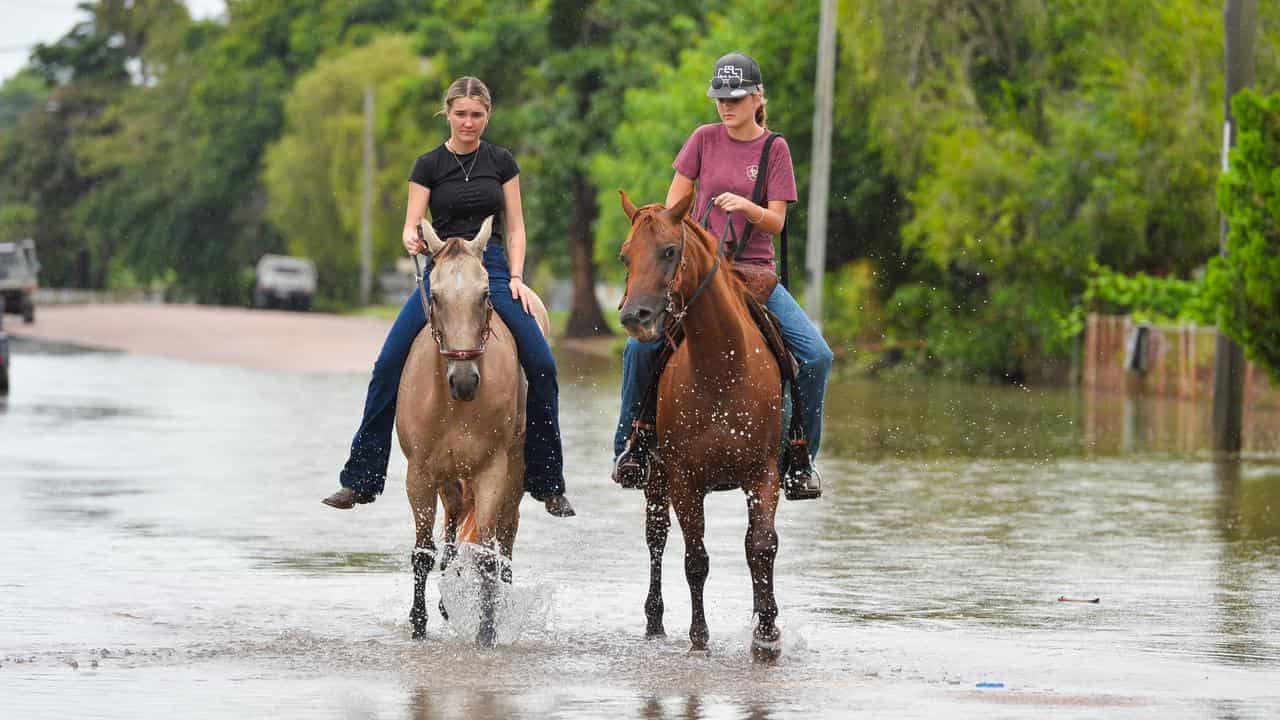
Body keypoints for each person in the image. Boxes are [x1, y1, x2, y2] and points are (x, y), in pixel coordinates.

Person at [324, 76, 575, 517]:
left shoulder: (502, 162)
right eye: (461, 114)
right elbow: (411, 222)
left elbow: (515, 226)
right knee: (386, 365)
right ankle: (360, 478)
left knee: (543, 364)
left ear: (488, 116)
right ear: (448, 114)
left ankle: (547, 481)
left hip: (490, 268)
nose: (469, 122)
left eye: (477, 115)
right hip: (441, 269)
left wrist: (515, 275)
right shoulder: (427, 165)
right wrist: (411, 239)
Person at [612, 52, 832, 499]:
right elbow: (673, 212)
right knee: (640, 348)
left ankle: (800, 457)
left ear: (756, 98)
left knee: (816, 356)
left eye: (734, 98)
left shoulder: (775, 149)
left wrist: (746, 206)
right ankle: (630, 445)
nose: (725, 107)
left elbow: (776, 222)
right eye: (719, 99)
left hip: (754, 275)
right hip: (701, 276)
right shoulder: (703, 139)